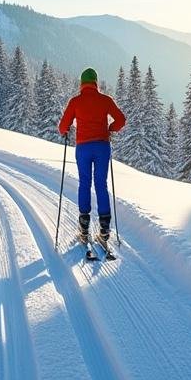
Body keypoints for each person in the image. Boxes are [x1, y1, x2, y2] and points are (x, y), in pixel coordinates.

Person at [58, 67, 126, 257]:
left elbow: (62, 126)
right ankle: (104, 230)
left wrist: (66, 130)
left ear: (82, 83)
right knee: (101, 185)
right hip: (102, 147)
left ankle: (84, 228)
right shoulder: (105, 100)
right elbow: (121, 119)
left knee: (85, 184)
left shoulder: (75, 101)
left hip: (83, 149)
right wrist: (111, 128)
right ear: (96, 82)